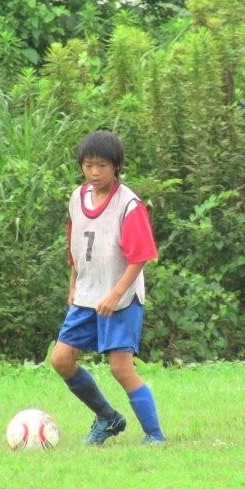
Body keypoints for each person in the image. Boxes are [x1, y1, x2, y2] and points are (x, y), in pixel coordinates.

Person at [49, 130, 166, 445]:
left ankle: (155, 435)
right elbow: (75, 248)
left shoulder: (129, 205)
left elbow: (140, 257)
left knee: (120, 368)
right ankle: (107, 417)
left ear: (116, 166)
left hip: (121, 299)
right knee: (61, 359)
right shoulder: (77, 198)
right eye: (88, 165)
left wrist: (115, 294)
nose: (94, 172)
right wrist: (73, 284)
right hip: (87, 295)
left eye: (102, 165)